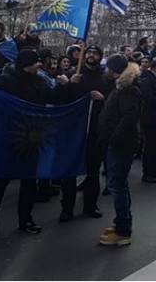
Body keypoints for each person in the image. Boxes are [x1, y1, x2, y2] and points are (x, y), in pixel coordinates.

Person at [0, 49, 78, 239]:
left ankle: (26, 220)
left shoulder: (39, 81)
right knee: (0, 181)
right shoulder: (5, 81)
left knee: (29, 182)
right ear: (26, 64)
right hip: (9, 139)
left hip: (32, 139)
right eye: (36, 62)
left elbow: (51, 99)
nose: (40, 64)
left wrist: (64, 87)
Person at [59, 45, 112, 221]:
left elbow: (113, 102)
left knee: (93, 171)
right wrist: (69, 85)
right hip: (74, 131)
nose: (90, 56)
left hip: (95, 132)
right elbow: (59, 99)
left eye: (94, 53)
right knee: (69, 172)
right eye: (88, 53)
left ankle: (90, 205)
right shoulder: (74, 74)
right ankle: (67, 208)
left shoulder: (106, 78)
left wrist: (103, 99)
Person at [97, 55, 142, 246]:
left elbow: (128, 119)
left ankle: (123, 230)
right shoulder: (122, 87)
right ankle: (121, 223)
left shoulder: (128, 90)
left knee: (117, 185)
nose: (105, 71)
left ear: (114, 70)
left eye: (108, 68)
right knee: (119, 184)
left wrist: (113, 138)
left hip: (121, 145)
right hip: (118, 144)